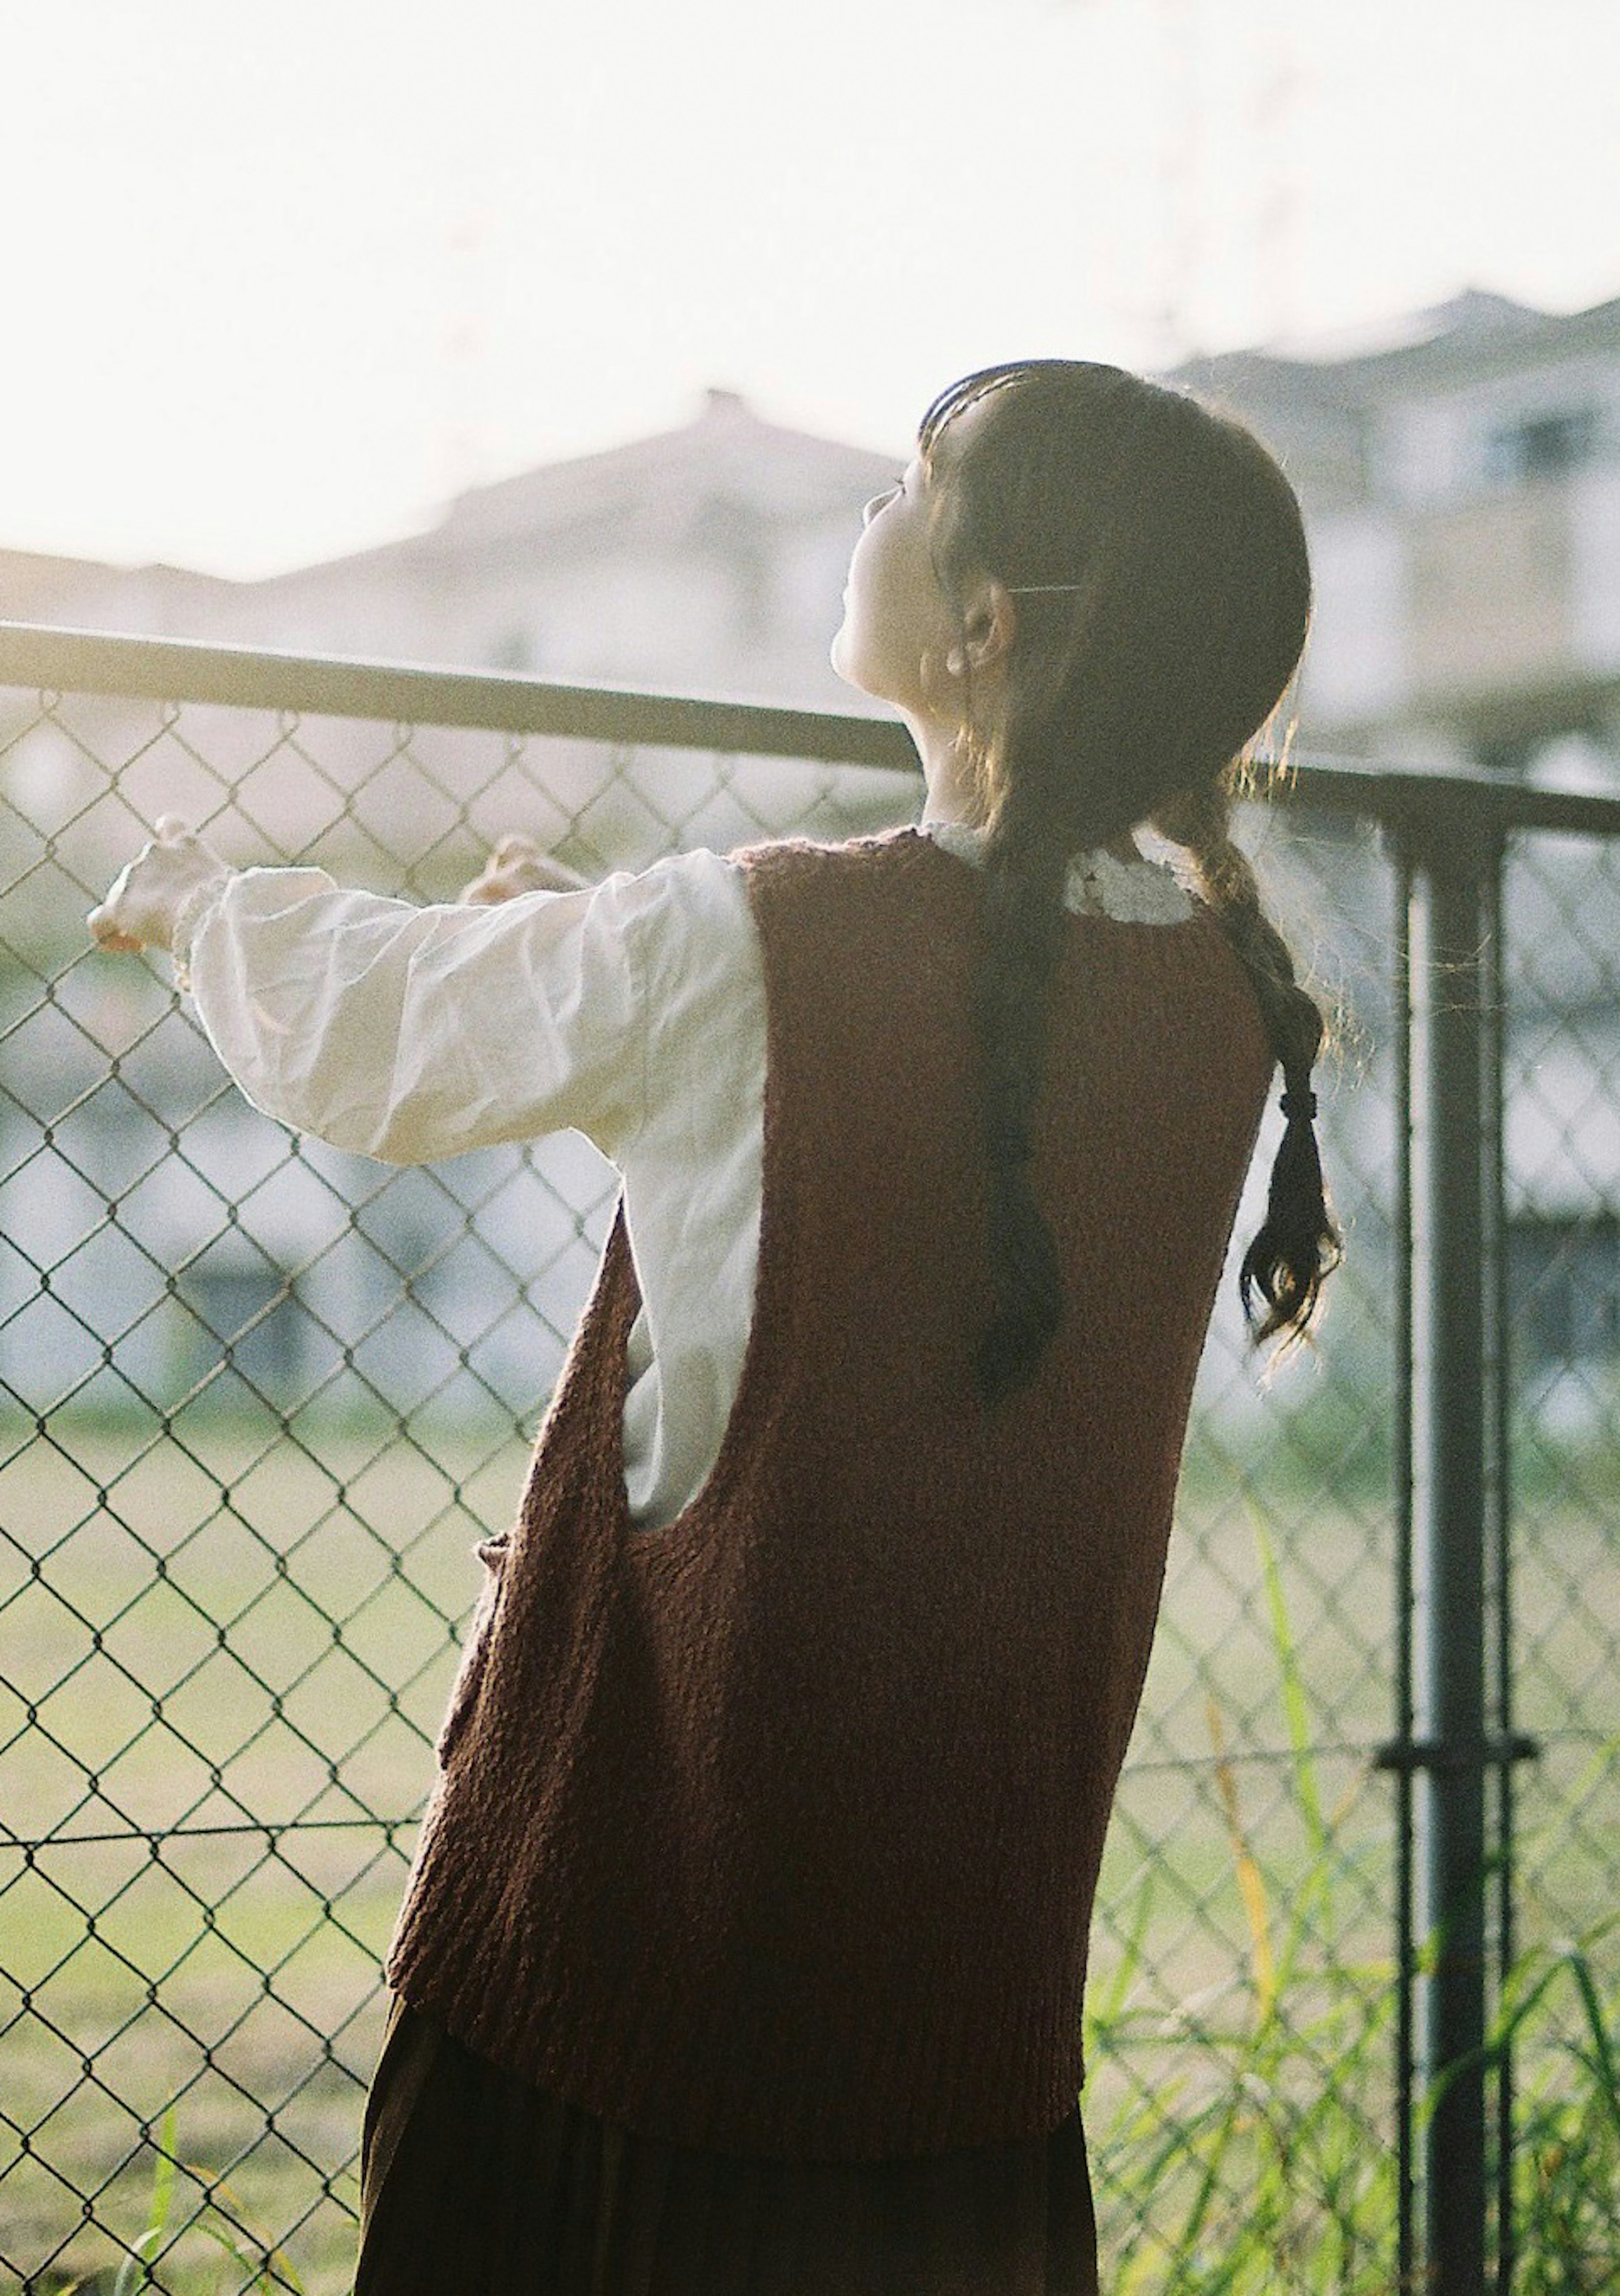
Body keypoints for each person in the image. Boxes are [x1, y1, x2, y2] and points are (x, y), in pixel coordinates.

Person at [89, 359, 1340, 2296]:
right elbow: (902, 1125)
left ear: (984, 625)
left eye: (909, 488)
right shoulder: (1217, 1002)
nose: (869, 513)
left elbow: (381, 1028)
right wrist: (618, 956)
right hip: (961, 2039)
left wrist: (194, 902)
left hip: (629, 1999)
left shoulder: (749, 941)